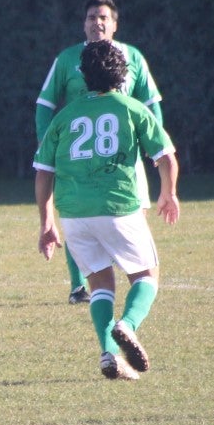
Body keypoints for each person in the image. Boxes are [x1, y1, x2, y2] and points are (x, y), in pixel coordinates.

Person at [34, 40, 179, 380]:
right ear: (123, 75)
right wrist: (168, 194)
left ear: (83, 76)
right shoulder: (131, 108)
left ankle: (110, 355)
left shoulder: (64, 116)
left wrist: (46, 222)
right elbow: (166, 158)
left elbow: (43, 173)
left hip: (74, 215)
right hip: (118, 207)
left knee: (100, 282)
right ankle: (127, 324)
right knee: (146, 275)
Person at [35, 0, 164, 304]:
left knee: (128, 213)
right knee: (79, 211)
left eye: (104, 17)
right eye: (92, 17)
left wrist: (154, 143)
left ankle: (116, 280)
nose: (97, 22)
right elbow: (44, 104)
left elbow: (151, 103)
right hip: (79, 155)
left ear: (115, 24)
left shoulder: (133, 57)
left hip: (124, 157)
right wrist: (47, 146)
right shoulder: (68, 59)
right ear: (84, 24)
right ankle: (80, 285)